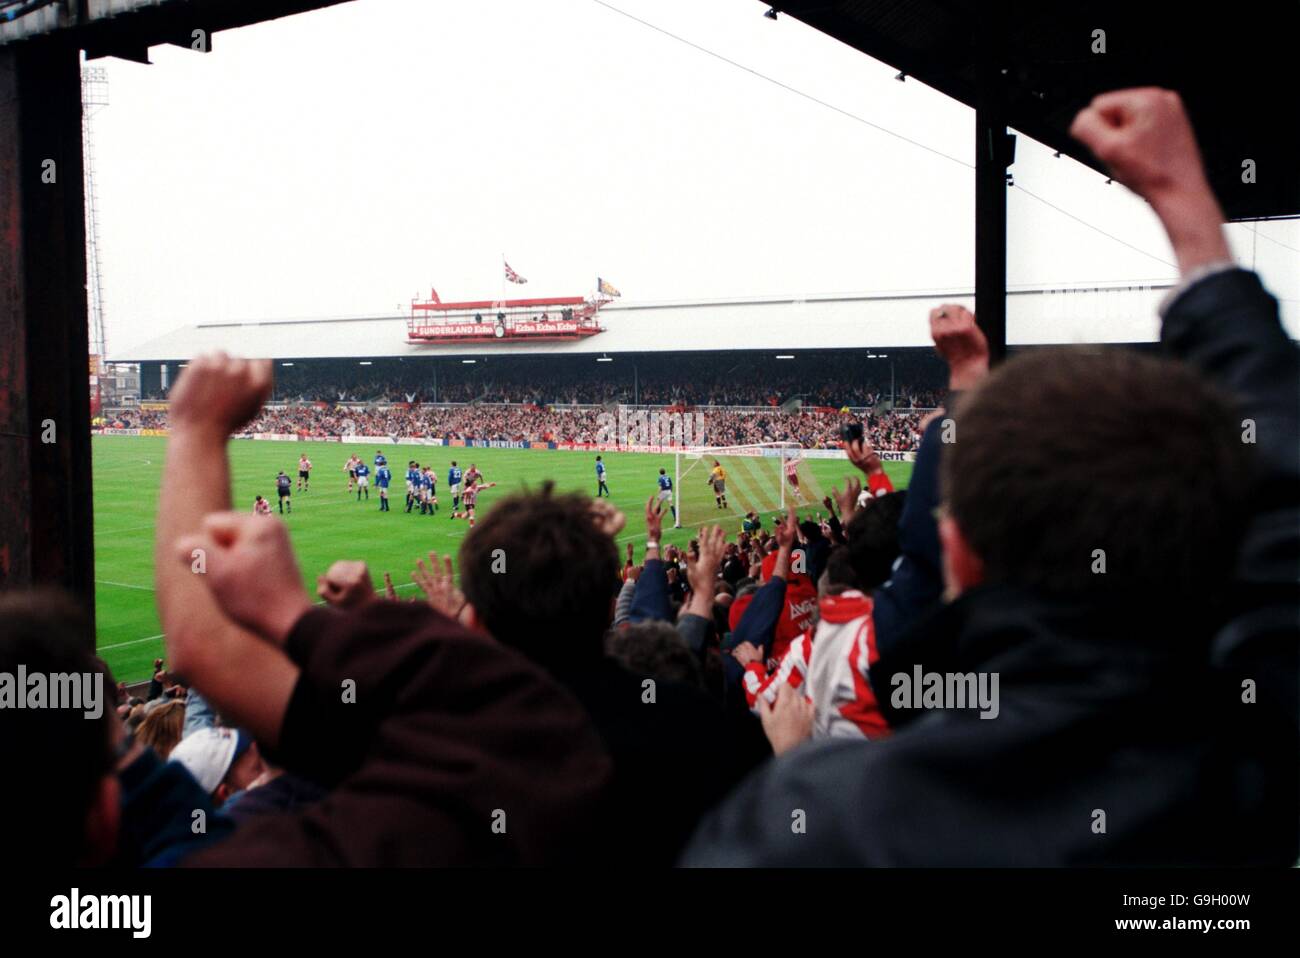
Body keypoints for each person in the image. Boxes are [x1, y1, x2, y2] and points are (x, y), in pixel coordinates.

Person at [683, 88, 1299, 867]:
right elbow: (1284, 510)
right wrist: (1191, 220)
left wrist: (793, 762)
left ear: (959, 553)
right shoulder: (1254, 741)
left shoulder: (820, 818)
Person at [153, 353, 614, 865]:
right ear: (609, 605)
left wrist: (197, 427)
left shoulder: (397, 735)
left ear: (474, 616)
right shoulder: (599, 750)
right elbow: (207, 648)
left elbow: (205, 647)